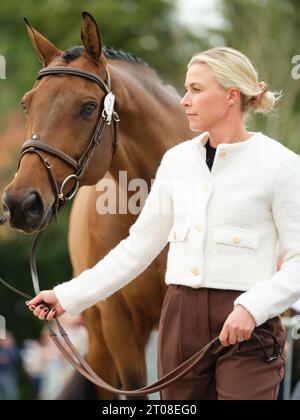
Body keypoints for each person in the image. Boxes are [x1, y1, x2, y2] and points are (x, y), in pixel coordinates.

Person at [26, 47, 300, 400]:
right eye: (186, 89)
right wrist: (67, 296)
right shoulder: (176, 162)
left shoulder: (282, 165)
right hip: (180, 322)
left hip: (248, 327)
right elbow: (136, 249)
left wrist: (253, 307)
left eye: (196, 90)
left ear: (232, 95)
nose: (184, 100)